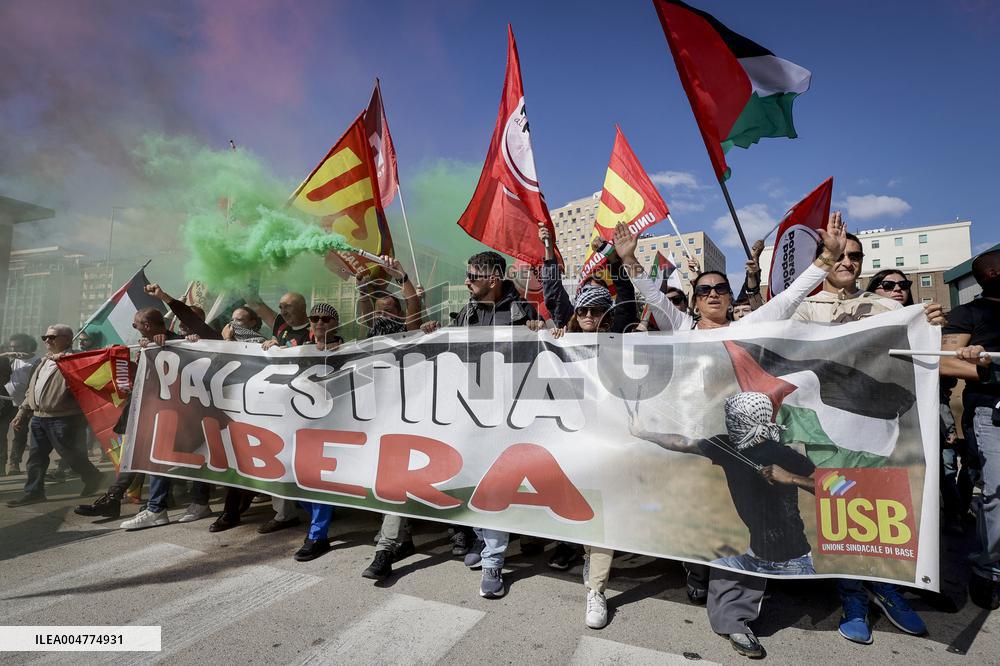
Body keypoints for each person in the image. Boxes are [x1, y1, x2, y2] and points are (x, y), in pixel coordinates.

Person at [616, 214, 848, 657]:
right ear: (695, 300)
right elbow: (652, 297)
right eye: (704, 290)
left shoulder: (748, 330)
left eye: (721, 288)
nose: (714, 295)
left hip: (734, 445)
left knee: (743, 523)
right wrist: (629, 262)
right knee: (699, 523)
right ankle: (697, 569)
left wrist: (825, 260)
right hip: (688, 444)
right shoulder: (681, 330)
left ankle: (734, 616)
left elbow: (791, 297)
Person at [792, 222, 942, 645]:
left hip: (878, 430)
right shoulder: (805, 309)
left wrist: (929, 322)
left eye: (854, 256)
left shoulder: (886, 306)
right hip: (830, 432)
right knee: (842, 510)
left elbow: (917, 350)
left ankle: (888, 588)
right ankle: (852, 596)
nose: (846, 262)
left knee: (883, 511)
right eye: (838, 254)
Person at [422, 250, 538, 599]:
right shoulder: (466, 314)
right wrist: (433, 335)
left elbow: (544, 354)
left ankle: (493, 560)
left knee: (495, 487)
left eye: (472, 275)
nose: (466, 281)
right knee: (471, 482)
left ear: (493, 278)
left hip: (507, 417)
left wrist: (542, 331)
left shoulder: (523, 313)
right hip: (468, 414)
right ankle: (481, 537)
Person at [941, 247, 1000, 609]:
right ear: (991, 273)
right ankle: (989, 570)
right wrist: (987, 369)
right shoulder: (968, 313)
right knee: (996, 491)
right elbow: (946, 363)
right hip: (992, 410)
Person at [361, 257, 423, 580]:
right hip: (376, 421)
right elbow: (362, 309)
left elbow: (413, 302)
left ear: (398, 314)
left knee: (393, 482)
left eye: (388, 309)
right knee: (381, 482)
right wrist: (361, 286)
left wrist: (402, 276)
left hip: (407, 419)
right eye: (378, 309)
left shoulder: (408, 332)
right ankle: (406, 538)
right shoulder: (370, 335)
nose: (382, 314)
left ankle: (384, 551)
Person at [6, 324, 104, 507]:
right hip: (39, 417)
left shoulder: (75, 359)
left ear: (67, 339)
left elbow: (93, 371)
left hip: (64, 418)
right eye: (45, 337)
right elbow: (32, 390)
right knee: (36, 457)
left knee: (71, 455)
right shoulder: (43, 361)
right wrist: (22, 412)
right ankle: (34, 492)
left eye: (52, 337)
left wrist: (69, 360)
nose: (47, 341)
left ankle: (93, 476)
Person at [119, 309, 187, 529]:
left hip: (176, 412)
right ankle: (158, 505)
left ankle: (159, 508)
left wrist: (172, 343)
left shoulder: (178, 343)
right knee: (154, 459)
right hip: (154, 410)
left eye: (135, 324)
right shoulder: (147, 345)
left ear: (147, 325)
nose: (134, 327)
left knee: (159, 459)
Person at [286, 302, 342, 562]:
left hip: (334, 426)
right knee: (296, 485)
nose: (319, 323)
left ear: (336, 324)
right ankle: (327, 511)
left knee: (317, 482)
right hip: (299, 425)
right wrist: (267, 348)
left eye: (326, 319)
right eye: (314, 318)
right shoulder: (296, 347)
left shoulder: (350, 348)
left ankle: (317, 536)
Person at [5, 333, 39, 474]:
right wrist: (7, 353)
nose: (15, 350)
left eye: (18, 347)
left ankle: (14, 463)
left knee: (20, 433)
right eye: (12, 347)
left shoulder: (38, 361)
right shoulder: (10, 360)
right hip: (6, 402)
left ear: (29, 346)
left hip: (25, 404)